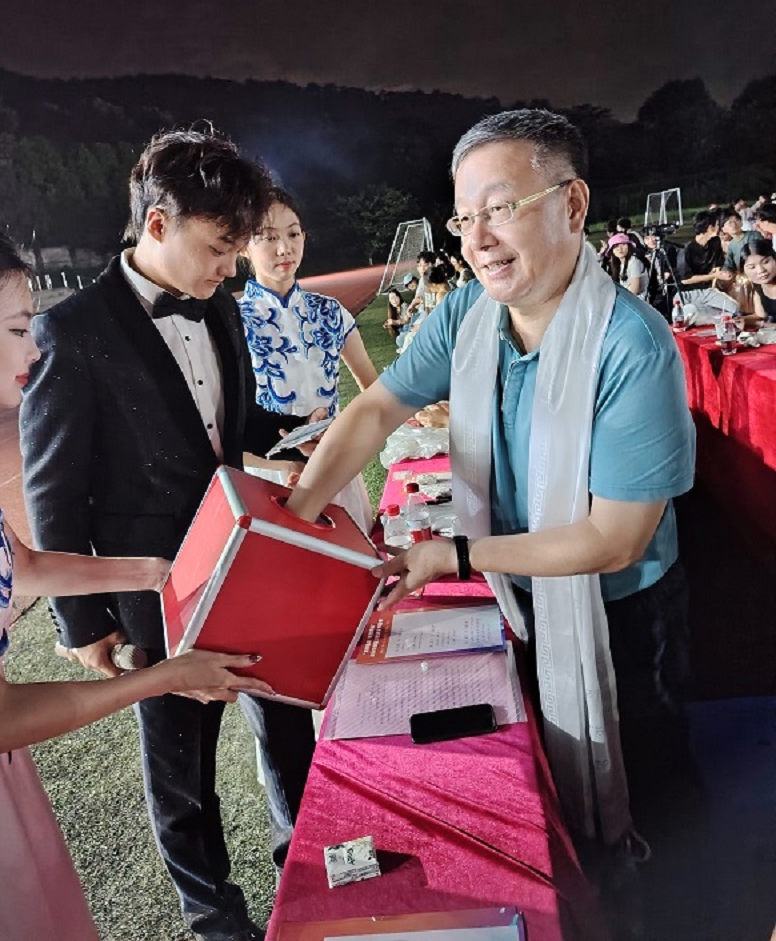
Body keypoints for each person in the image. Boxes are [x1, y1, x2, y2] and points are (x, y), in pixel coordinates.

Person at [287, 109, 696, 854]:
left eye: (501, 209)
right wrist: (295, 520)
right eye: (464, 217)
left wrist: (459, 556)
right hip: (518, 584)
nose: (476, 239)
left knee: (648, 769)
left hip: (620, 603)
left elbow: (615, 540)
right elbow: (375, 409)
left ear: (572, 204)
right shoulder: (469, 314)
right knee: (548, 751)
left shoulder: (633, 346)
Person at [20, 129, 317, 941]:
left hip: (247, 559)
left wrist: (303, 434)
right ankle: (216, 918)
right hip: (154, 592)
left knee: (287, 723)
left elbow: (230, 423)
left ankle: (306, 871)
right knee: (182, 768)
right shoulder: (72, 330)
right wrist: (83, 623)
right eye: (220, 247)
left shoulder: (219, 305)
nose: (232, 267)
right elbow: (53, 488)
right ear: (158, 223)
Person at [0, 224, 272, 941]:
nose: (32, 348)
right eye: (16, 329)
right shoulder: (80, 329)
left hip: (5, 776)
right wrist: (154, 670)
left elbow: (19, 562)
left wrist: (156, 571)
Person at [238, 187, 377, 528]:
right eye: (268, 237)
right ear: (243, 246)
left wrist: (346, 438)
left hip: (334, 468)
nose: (284, 248)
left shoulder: (331, 312)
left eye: (293, 234)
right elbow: (222, 428)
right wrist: (281, 465)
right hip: (268, 481)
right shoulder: (233, 322)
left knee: (354, 554)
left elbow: (375, 392)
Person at [681, 211, 729, 286]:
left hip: (710, 285)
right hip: (690, 289)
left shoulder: (715, 242)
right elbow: (685, 280)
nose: (719, 228)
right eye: (717, 225)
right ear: (710, 228)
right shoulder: (687, 249)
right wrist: (713, 276)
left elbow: (719, 263)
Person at [741, 239, 776, 322]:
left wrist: (762, 325)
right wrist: (741, 320)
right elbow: (760, 315)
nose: (761, 270)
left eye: (766, 262)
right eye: (752, 267)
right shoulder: (758, 287)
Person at [720, 207, 764, 273]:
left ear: (741, 222)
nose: (734, 225)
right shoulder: (731, 245)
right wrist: (726, 271)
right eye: (730, 223)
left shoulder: (755, 235)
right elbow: (728, 264)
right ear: (724, 229)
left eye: (736, 220)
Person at [605, 232, 649, 297]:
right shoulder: (617, 265)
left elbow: (635, 290)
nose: (620, 249)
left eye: (623, 244)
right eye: (616, 246)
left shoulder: (634, 262)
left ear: (629, 246)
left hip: (637, 300)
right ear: (612, 251)